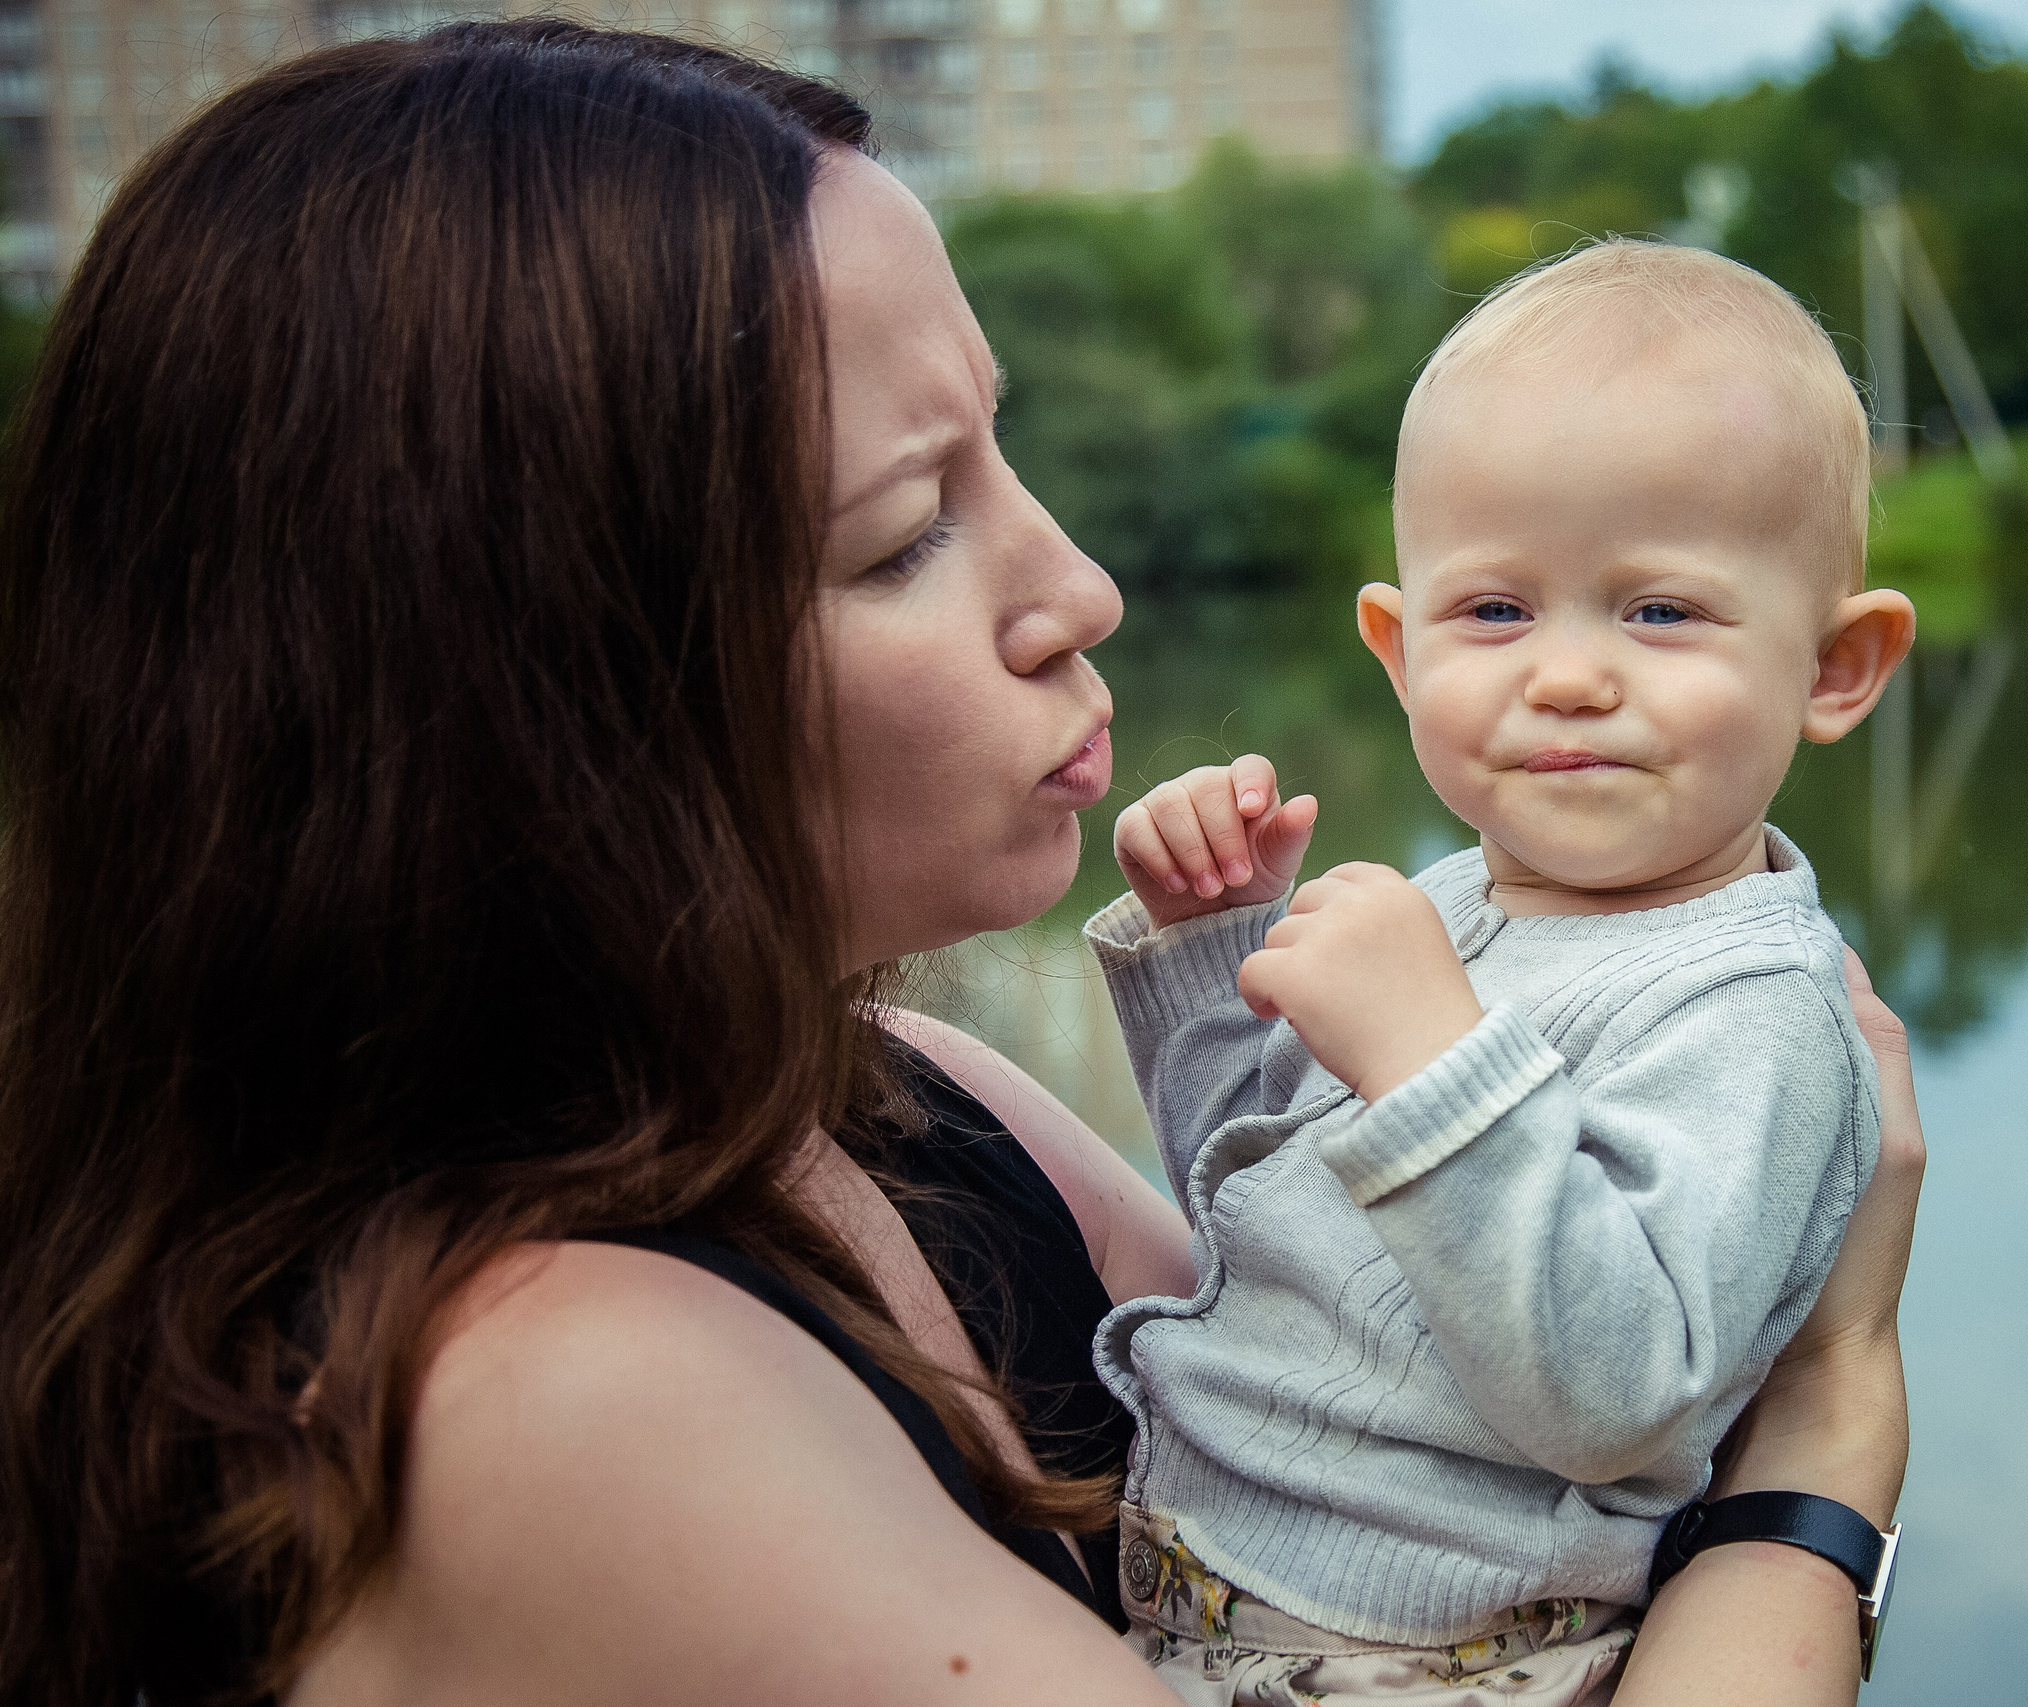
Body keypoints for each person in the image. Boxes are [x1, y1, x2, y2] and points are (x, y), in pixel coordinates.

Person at [0, 24, 1920, 1707]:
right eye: (913, 526)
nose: (1079, 586)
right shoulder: (556, 1398)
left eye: (1002, 450)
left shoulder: (909, 1100)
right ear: (543, 682)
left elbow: (1366, 1358)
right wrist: (1826, 1446)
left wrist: (1245, 972)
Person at [1090, 240, 1917, 1701]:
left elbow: (1612, 1395)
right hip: (1204, 1598)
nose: (1570, 675)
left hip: (1437, 1663)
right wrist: (1213, 953)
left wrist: (1429, 1057)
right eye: (1495, 613)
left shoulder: (1754, 1008)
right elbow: (1259, 1223)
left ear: (1835, 667)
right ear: (1398, 654)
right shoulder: (1451, 903)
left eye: (1659, 610)